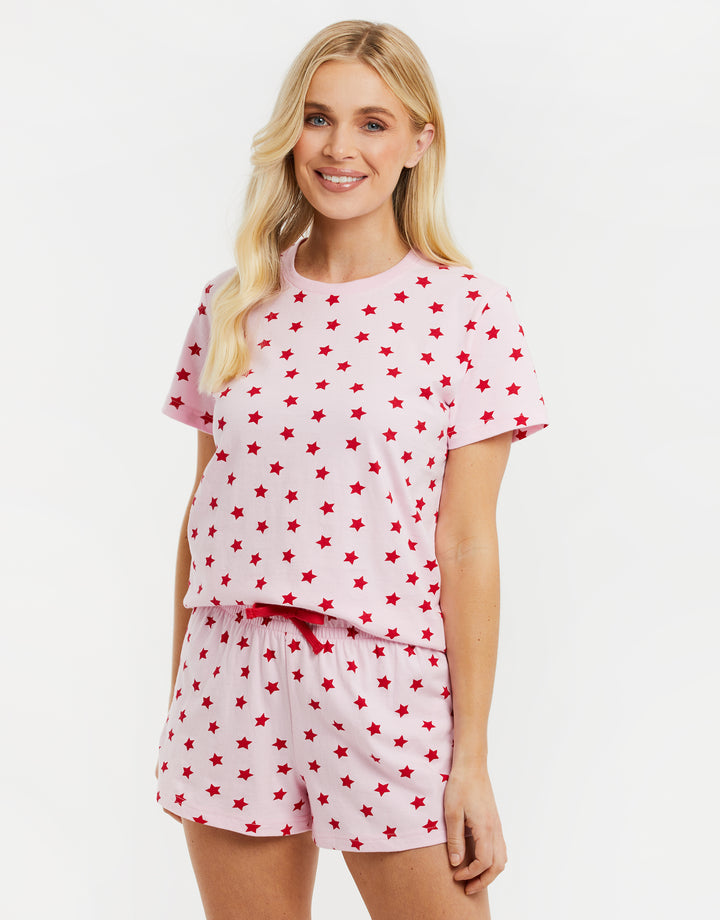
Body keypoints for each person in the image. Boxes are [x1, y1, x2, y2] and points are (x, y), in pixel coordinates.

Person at [154, 18, 548, 920]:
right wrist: (183, 701)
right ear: (290, 132)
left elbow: (467, 541)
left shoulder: (469, 312)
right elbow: (202, 512)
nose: (340, 148)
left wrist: (472, 761)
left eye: (374, 123)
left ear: (419, 141)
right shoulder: (233, 300)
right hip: (231, 675)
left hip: (385, 681)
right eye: (318, 117)